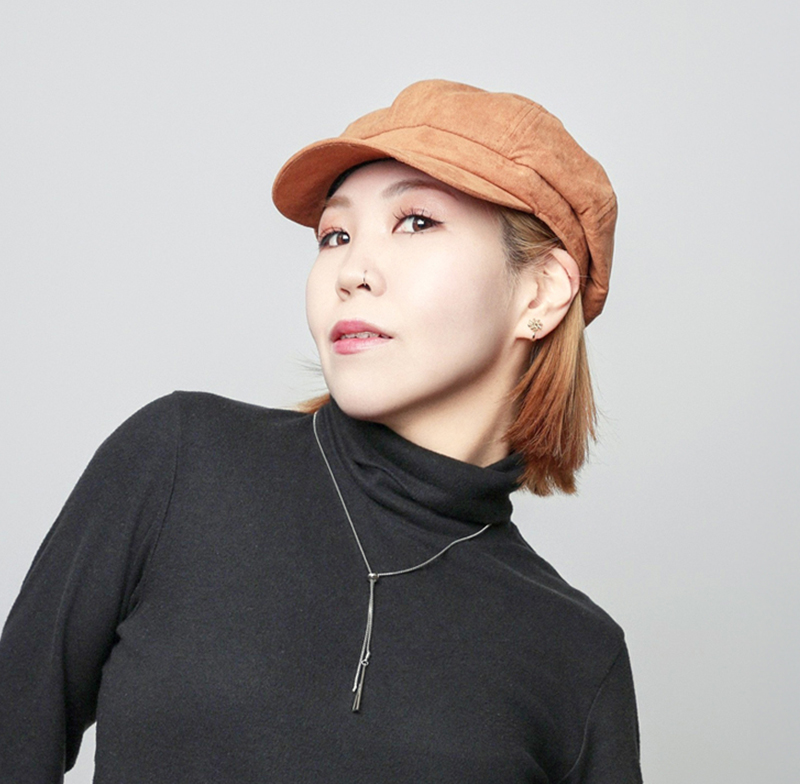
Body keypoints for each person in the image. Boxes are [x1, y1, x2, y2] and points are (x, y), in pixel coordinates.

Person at [0, 80, 642, 783]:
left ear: (541, 290)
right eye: (336, 235)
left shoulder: (578, 655)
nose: (351, 271)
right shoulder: (181, 463)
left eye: (416, 222)